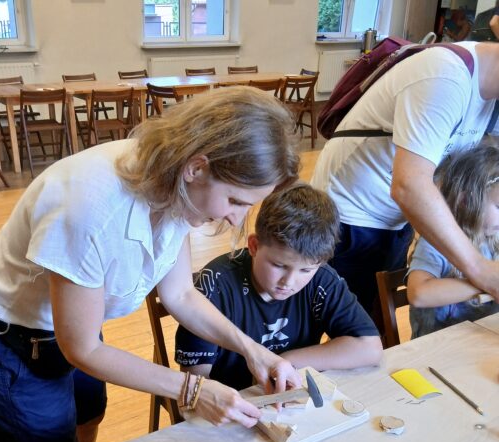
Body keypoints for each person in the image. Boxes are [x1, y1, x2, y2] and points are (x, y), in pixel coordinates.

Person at [0, 86, 303, 442]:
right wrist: (193, 390)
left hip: (72, 323)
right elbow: (82, 349)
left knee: (89, 414)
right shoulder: (89, 208)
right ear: (197, 168)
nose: (236, 218)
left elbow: (180, 295)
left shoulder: (176, 183)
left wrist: (254, 351)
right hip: (10, 335)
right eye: (236, 201)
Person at [311, 41, 499, 320]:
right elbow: (409, 186)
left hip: (397, 217)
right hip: (351, 215)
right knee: (342, 321)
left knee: (374, 319)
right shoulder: (446, 74)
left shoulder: (491, 96)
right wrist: (481, 271)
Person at [174, 184, 382, 391]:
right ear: (254, 246)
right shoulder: (216, 286)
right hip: (229, 398)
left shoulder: (321, 279)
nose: (288, 282)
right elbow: (194, 387)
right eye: (279, 265)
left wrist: (285, 361)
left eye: (305, 270)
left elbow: (370, 348)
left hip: (288, 397)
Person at [407, 145, 499, 338]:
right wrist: (487, 282)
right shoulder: (436, 243)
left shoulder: (493, 240)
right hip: (438, 347)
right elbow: (418, 294)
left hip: (479, 341)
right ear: (466, 201)